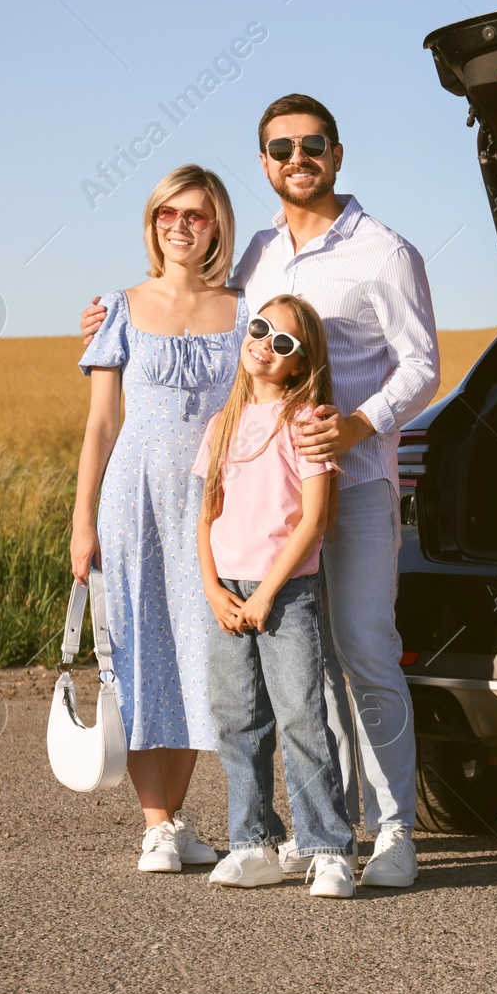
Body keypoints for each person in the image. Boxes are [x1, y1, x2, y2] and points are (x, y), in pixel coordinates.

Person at [82, 94, 439, 888]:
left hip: (359, 480)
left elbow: (422, 366)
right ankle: (323, 833)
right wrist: (112, 321)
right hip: (267, 505)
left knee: (364, 650)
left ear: (338, 154)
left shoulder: (386, 252)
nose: (297, 159)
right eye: (281, 149)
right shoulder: (260, 260)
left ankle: (394, 831)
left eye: (313, 145)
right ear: (266, 164)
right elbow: (213, 327)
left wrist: (357, 424)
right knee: (301, 670)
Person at [71, 164, 244, 873]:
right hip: (133, 497)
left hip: (212, 503)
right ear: (153, 224)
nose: (180, 225)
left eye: (195, 215)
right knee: (142, 651)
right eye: (168, 214)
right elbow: (101, 423)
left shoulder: (244, 309)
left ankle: (177, 821)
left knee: (204, 657)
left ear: (216, 226)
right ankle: (156, 824)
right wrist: (82, 520)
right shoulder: (118, 306)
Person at [195, 295, 357, 897]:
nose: (265, 343)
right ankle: (252, 842)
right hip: (228, 594)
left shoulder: (306, 422)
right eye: (260, 329)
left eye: (283, 342)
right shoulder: (222, 424)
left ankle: (328, 848)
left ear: (300, 362)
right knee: (237, 720)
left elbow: (313, 521)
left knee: (299, 718)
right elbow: (204, 515)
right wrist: (213, 587)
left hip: (284, 593)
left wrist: (267, 593)